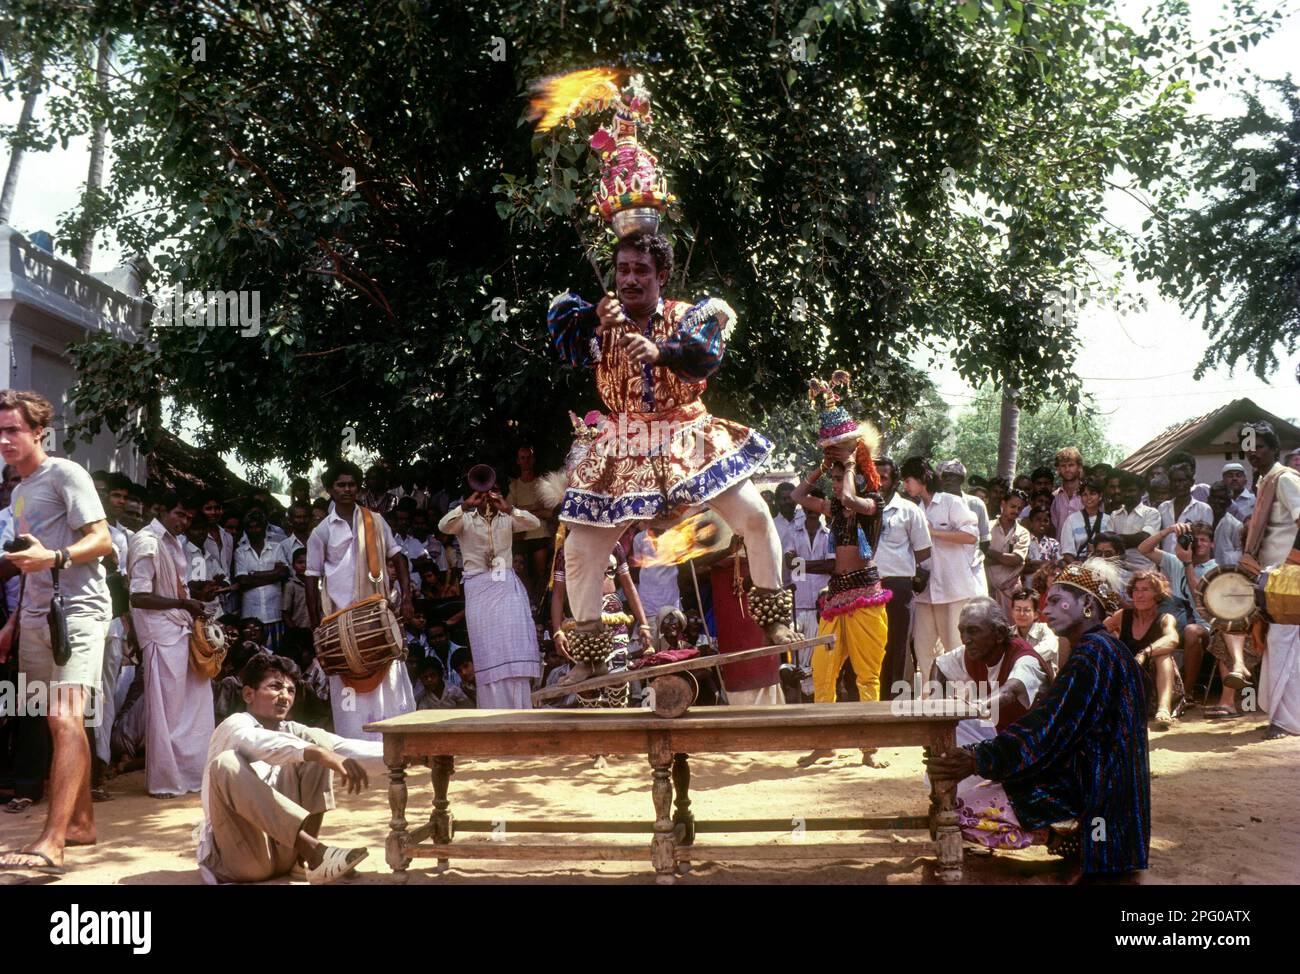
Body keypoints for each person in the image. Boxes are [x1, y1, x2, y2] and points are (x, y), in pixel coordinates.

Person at [547, 230, 796, 677]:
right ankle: (588, 654)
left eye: (641, 270)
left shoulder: (688, 316)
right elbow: (563, 340)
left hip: (688, 432)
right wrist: (591, 319)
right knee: (582, 547)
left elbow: (705, 355)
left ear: (661, 276)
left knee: (755, 517)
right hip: (622, 440)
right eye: (623, 270)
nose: (630, 279)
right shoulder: (598, 320)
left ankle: (775, 619)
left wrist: (661, 351)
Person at [926, 559, 1150, 877]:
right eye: (1047, 603)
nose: (1046, 611)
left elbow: (1048, 728)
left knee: (955, 812)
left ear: (1088, 605)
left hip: (1093, 793)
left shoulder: (1091, 655)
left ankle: (1067, 829)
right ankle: (1069, 830)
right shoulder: (1106, 649)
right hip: (1102, 790)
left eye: (1058, 601)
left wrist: (979, 759)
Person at [0, 392, 114, 873]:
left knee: (64, 718)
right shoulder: (19, 491)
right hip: (35, 618)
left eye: (14, 430)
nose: (5, 440)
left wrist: (58, 557)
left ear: (38, 431)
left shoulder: (67, 474)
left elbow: (102, 539)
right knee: (57, 721)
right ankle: (82, 823)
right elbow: (29, 563)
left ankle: (53, 840)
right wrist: (13, 620)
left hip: (80, 612)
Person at [197, 654, 380, 884]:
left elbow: (344, 748)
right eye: (275, 687)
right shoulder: (234, 725)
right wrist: (322, 754)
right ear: (248, 694)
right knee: (226, 764)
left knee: (318, 743)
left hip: (286, 853)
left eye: (291, 690)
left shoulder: (290, 729)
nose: (284, 696)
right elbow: (260, 743)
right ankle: (316, 852)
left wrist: (408, 754)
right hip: (243, 856)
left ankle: (306, 861)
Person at [791, 454, 892, 767]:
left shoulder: (873, 502)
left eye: (840, 478)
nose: (835, 485)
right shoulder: (833, 508)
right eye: (832, 479)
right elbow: (797, 495)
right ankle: (826, 744)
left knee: (867, 674)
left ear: (859, 478)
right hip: (837, 596)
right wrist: (821, 466)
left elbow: (850, 496)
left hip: (866, 595)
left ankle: (869, 749)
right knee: (822, 670)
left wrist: (849, 464)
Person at [927, 598, 1051, 850]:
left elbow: (1010, 691)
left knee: (961, 818)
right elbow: (939, 665)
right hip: (1005, 745)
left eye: (973, 631)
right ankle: (950, 797)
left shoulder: (1024, 658)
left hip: (1039, 760)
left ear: (997, 634)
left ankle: (1051, 836)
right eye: (962, 631)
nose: (965, 639)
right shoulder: (974, 653)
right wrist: (937, 703)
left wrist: (977, 706)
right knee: (946, 735)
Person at [305, 460, 416, 739]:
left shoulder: (375, 521)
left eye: (352, 484)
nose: (347, 489)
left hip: (375, 615)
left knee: (388, 686)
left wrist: (406, 598)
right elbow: (310, 578)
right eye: (340, 484)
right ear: (331, 489)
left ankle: (393, 744)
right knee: (348, 691)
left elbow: (398, 557)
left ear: (358, 487)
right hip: (340, 622)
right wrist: (316, 626)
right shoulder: (322, 532)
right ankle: (356, 746)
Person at [125, 490, 217, 799]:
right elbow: (138, 596)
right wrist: (183, 603)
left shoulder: (174, 543)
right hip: (159, 633)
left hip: (179, 629)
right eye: (180, 514)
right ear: (160, 509)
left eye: (189, 517)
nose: (185, 521)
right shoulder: (146, 542)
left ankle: (191, 775)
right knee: (166, 709)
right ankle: (165, 781)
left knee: (192, 704)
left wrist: (190, 602)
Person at [438, 473, 543, 708]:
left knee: (512, 650)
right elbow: (443, 526)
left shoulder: (507, 518)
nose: (488, 495)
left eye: (494, 489)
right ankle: (493, 714)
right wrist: (466, 505)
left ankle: (519, 710)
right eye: (484, 490)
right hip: (479, 589)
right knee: (489, 652)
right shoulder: (465, 519)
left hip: (505, 588)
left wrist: (508, 509)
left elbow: (534, 524)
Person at [1240, 422, 1300, 739]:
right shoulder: (1265, 483)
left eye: (1259, 445)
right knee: (1280, 646)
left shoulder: (1286, 479)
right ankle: (1284, 719)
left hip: (1289, 580)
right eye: (1248, 446)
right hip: (1272, 579)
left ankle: (1286, 722)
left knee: (1284, 645)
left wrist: (1292, 564)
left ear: (1274, 449)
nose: (1253, 452)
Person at [1136, 521, 1242, 692]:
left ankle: (1187, 691)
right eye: (1195, 540)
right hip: (1176, 621)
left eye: (1203, 540)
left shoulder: (1217, 570)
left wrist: (1188, 564)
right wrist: (1169, 530)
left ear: (1212, 544)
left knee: (1191, 631)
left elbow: (1200, 598)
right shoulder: (1175, 561)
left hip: (1206, 627)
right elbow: (1143, 549)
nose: (1199, 544)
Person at [902, 456, 981, 681]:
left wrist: (933, 532)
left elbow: (971, 536)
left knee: (955, 646)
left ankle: (962, 699)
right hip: (924, 590)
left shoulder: (950, 502)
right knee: (923, 648)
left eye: (908, 480)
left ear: (921, 479)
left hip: (954, 588)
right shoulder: (912, 509)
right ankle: (930, 699)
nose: (905, 486)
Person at [873, 457, 932, 700]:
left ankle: (892, 703)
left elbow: (924, 551)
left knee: (896, 646)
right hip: (867, 587)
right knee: (871, 646)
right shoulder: (861, 508)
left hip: (898, 586)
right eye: (873, 476)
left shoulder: (909, 510)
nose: (877, 481)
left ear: (896, 481)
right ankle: (871, 701)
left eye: (883, 477)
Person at [1105, 569, 1184, 730]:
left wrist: (1145, 652)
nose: (1139, 595)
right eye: (1136, 590)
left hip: (1156, 681)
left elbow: (1173, 639)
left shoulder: (1165, 618)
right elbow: (1098, 632)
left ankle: (1163, 709)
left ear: (1157, 595)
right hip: (1128, 675)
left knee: (1163, 656)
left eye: (1145, 590)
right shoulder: (1122, 615)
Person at [785, 499, 834, 699]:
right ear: (804, 508)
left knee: (818, 654)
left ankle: (816, 697)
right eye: (809, 507)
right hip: (798, 604)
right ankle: (798, 699)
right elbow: (790, 563)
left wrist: (803, 564)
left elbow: (831, 566)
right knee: (796, 655)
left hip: (820, 606)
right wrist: (817, 564)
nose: (812, 511)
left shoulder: (830, 535)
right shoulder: (793, 533)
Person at [234, 508, 288, 653]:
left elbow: (283, 573)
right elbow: (243, 581)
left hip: (274, 613)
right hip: (250, 616)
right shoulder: (240, 551)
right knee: (252, 656)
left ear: (264, 527)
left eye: (257, 526)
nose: (254, 530)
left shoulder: (276, 548)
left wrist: (254, 574)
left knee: (275, 655)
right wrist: (273, 574)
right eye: (250, 527)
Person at [938, 460, 990, 597]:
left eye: (951, 475)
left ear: (961, 478)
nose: (948, 479)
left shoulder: (976, 504)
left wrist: (972, 560)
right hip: (944, 570)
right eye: (944, 476)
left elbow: (985, 541)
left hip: (973, 567)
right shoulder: (934, 504)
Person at [630, 526, 682, 643]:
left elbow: (681, 558)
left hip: (671, 595)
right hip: (649, 597)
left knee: (672, 636)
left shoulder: (674, 535)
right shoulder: (639, 538)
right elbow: (637, 563)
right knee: (652, 638)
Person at [986, 489, 1030, 611]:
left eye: (1020, 508)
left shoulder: (1023, 533)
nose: (1016, 511)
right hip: (987, 590)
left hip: (1011, 592)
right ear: (1003, 504)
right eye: (1013, 506)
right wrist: (1005, 559)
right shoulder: (987, 527)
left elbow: (1015, 560)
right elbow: (979, 559)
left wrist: (988, 552)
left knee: (1011, 628)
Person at [1110, 471, 1162, 575]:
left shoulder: (1151, 513)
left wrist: (1116, 539)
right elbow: (1109, 543)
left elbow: (1145, 538)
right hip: (1118, 573)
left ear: (1142, 492)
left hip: (1146, 572)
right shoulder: (1114, 515)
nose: (1127, 494)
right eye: (1124, 491)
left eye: (1131, 490)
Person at [1158, 464, 1213, 553]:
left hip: (1191, 563)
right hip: (1165, 562)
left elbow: (1205, 540)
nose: (1178, 484)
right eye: (1174, 481)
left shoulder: (1203, 509)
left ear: (1191, 482)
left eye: (1182, 480)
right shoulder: (1163, 507)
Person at [1058, 477, 1112, 563]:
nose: (1088, 498)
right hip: (1079, 566)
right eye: (1084, 494)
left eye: (1092, 494)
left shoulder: (1109, 520)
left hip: (1104, 566)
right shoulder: (1072, 520)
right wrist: (1076, 565)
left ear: (1100, 496)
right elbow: (1066, 551)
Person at [1009, 586, 1059, 668]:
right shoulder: (1008, 634)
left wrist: (1019, 657)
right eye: (1018, 609)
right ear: (1012, 613)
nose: (1021, 614)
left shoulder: (1044, 631)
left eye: (1026, 610)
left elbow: (1050, 647)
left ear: (1036, 614)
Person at [1208, 481, 1244, 569]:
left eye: (1222, 499)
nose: (1217, 502)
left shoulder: (1235, 525)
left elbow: (1240, 551)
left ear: (1228, 502)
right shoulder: (1202, 518)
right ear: (1208, 499)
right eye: (1214, 498)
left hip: (1225, 573)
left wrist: (1228, 559)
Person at [1049, 447, 1085, 537]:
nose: (1067, 469)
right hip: (1059, 548)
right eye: (1063, 466)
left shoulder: (1088, 496)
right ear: (1058, 469)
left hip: (1083, 549)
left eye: (1071, 465)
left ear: (1079, 467)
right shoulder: (1054, 497)